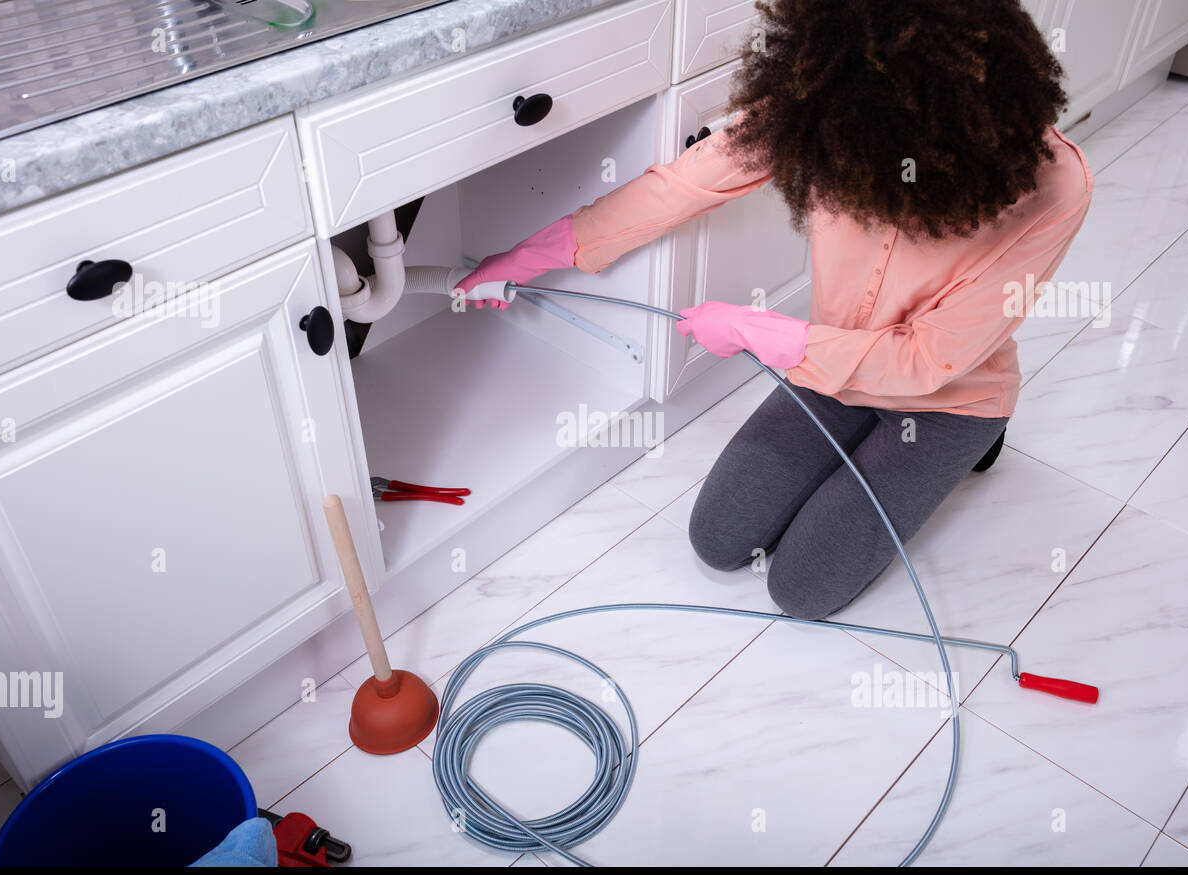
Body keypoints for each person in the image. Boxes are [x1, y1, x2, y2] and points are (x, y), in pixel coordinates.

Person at [458, 0, 1093, 621]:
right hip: (831, 368)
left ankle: (975, 443)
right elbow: (682, 185)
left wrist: (759, 331)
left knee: (802, 589)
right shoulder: (828, 106)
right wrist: (527, 257)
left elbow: (929, 358)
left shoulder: (1056, 185)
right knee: (719, 539)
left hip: (946, 395)